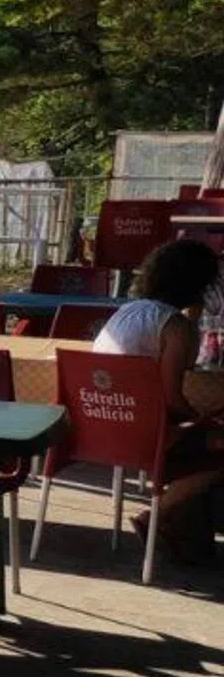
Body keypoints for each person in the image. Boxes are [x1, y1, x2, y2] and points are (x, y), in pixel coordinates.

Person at [94, 237, 224, 556]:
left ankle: (180, 530)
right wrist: (204, 421)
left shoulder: (127, 312)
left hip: (100, 426)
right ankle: (155, 516)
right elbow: (172, 401)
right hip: (144, 436)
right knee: (217, 442)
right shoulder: (174, 326)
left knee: (208, 439)